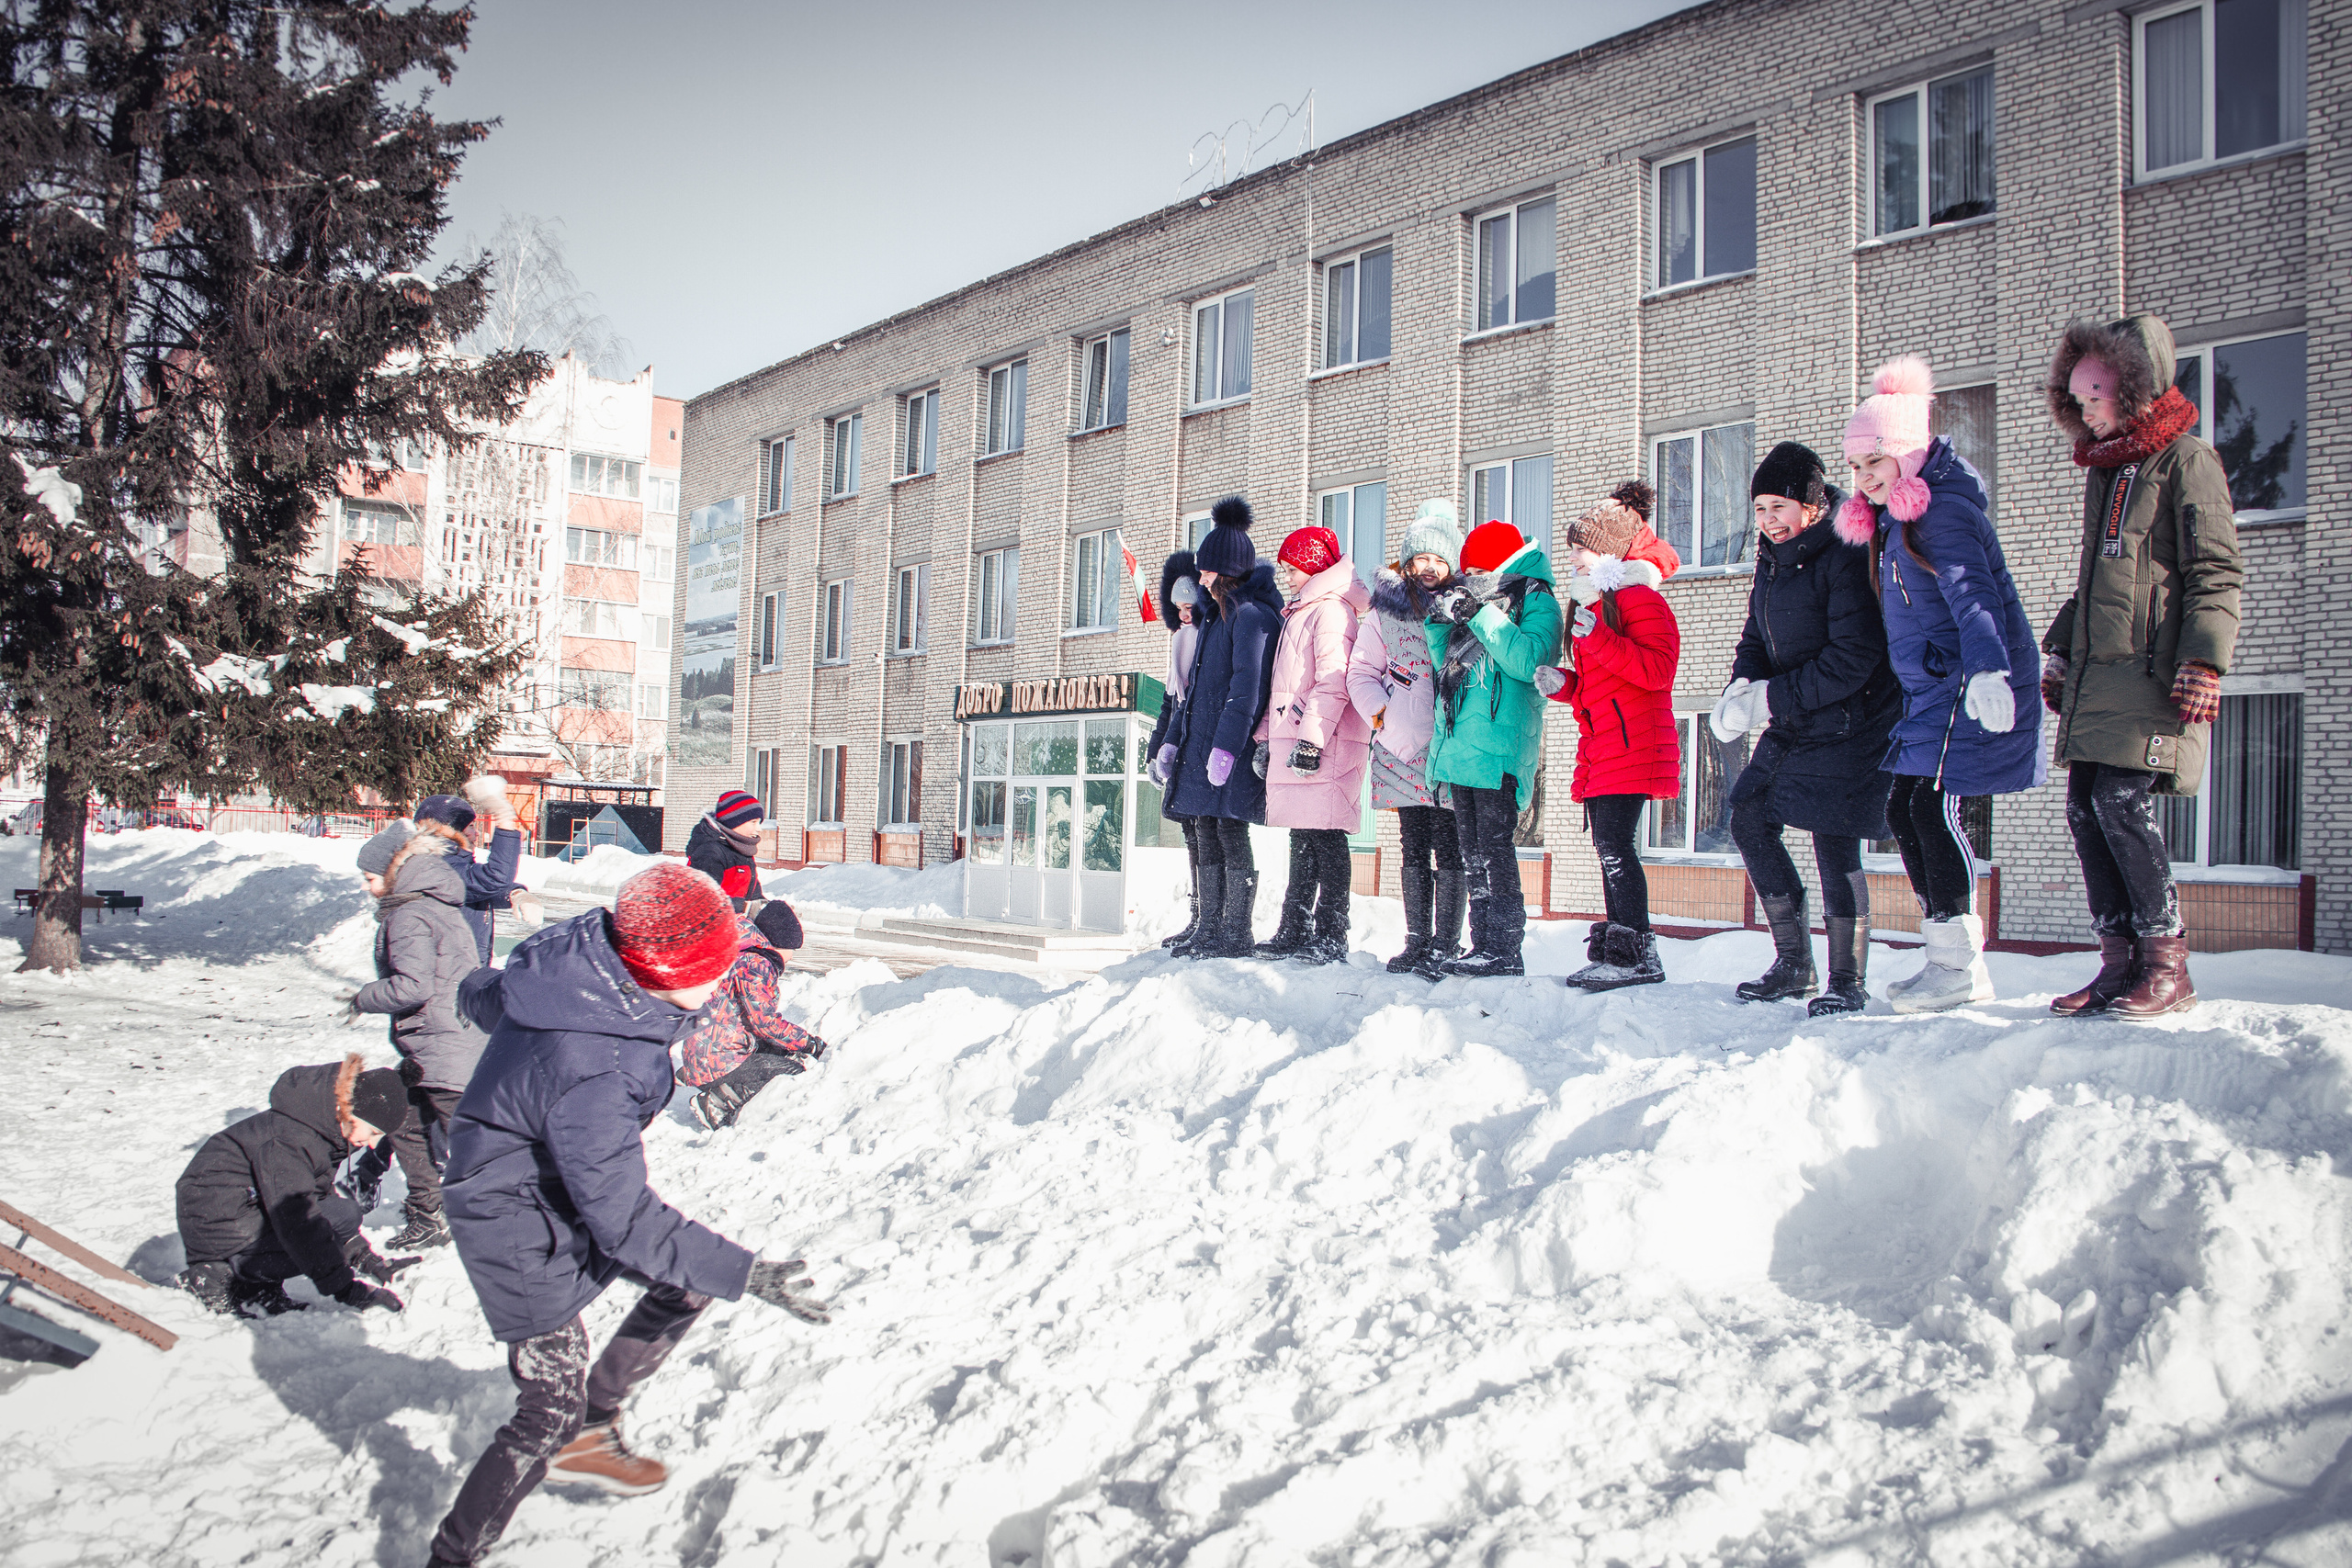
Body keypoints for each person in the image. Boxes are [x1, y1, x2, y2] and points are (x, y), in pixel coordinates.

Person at [427, 863, 830, 1567]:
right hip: (510, 1212)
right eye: (713, 968)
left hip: (556, 1177)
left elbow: (500, 994)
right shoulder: (599, 1065)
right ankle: (454, 1554)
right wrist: (745, 1270)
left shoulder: (583, 971)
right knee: (546, 1409)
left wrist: (468, 991)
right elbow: (626, 1221)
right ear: (669, 970)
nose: (722, 980)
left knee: (684, 1282)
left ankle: (596, 1423)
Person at [2041, 314, 2242, 1018]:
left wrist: (2205, 660)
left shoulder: (2187, 461)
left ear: (2134, 387)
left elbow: (2215, 571)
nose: (2086, 409)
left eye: (2095, 395)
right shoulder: (2109, 469)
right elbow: (2098, 582)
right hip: (2102, 675)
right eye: (2077, 398)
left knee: (2120, 803)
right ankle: (2119, 964)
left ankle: (2167, 966)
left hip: (2156, 674)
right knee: (2085, 809)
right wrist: (2063, 649)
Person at [1837, 355, 2044, 1012]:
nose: (1864, 478)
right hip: (1932, 686)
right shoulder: (1896, 521)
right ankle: (1946, 958)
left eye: (1875, 461)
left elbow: (1973, 594)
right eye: (1855, 466)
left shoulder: (1942, 513)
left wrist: (1987, 669)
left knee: (1929, 806)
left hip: (1965, 679)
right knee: (1904, 808)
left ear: (1907, 452)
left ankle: (1960, 967)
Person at [1712, 443, 1900, 1015]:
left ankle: (1847, 980)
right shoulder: (1771, 559)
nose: (1769, 521)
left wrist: (1769, 697)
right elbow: (1755, 636)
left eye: (1780, 507)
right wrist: (1741, 686)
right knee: (1749, 815)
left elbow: (1854, 657)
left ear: (1812, 505)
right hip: (1796, 716)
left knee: (1833, 838)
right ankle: (1794, 962)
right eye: (1760, 509)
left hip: (1852, 719)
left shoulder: (1845, 552)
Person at [1533, 482, 1682, 991]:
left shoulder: (1639, 599)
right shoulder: (1597, 606)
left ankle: (1636, 955)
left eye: (1582, 548)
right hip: (1605, 747)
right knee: (1608, 848)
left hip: (1633, 745)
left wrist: (1595, 637)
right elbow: (1604, 688)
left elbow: (1657, 672)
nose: (1573, 557)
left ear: (1611, 553)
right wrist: (1564, 685)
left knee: (1616, 847)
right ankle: (1622, 950)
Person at [1424, 516, 1562, 978]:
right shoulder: (1478, 602)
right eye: (1468, 573)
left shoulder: (1535, 600)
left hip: (1500, 746)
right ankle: (1482, 942)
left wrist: (1479, 615)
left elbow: (1530, 661)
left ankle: (1505, 946)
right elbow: (1445, 667)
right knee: (1472, 852)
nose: (1472, 580)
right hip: (1461, 745)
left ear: (1504, 564)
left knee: (1495, 848)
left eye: (1480, 571)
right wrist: (1440, 622)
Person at [174, 1054, 413, 1318]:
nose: (372, 1144)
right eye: (374, 1132)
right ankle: (215, 1275)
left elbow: (319, 1197)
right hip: (215, 1217)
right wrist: (348, 1290)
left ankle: (258, 1284)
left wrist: (364, 1257)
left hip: (245, 1205)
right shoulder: (294, 1140)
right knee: (311, 1243)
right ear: (353, 1112)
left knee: (342, 1214)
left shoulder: (325, 1125)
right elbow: (298, 1222)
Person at [346, 819, 490, 1250]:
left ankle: (519, 1224)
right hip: (444, 1042)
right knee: (404, 1120)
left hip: (444, 1045)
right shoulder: (436, 904)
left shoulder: (410, 914)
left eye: (370, 878)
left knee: (479, 1147)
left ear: (392, 870)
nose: (369, 887)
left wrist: (362, 997)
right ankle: (429, 1213)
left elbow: (413, 986)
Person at [1348, 500, 1468, 978]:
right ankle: (1418, 941)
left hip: (1452, 745)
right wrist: (1382, 715)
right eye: (1422, 558)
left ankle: (1447, 944)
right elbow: (1361, 671)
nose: (1430, 568)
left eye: (1440, 559)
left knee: (1451, 843)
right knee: (1414, 843)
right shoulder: (1386, 612)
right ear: (1408, 561)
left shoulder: (1463, 609)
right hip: (1401, 747)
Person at [1162, 497, 1283, 959]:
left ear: (1225, 571)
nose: (1200, 578)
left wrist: (1227, 749)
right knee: (1208, 830)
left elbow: (1247, 689)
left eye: (1206, 570)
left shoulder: (1250, 616)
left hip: (1228, 747)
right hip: (1203, 743)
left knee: (1231, 832)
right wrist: (1173, 742)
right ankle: (1209, 927)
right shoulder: (1216, 617)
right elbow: (1194, 691)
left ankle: (1236, 931)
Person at [1251, 525, 1374, 966]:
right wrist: (1266, 738)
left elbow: (1333, 680)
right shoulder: (1303, 611)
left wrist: (1311, 741)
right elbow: (1282, 688)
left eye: (1292, 569)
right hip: (1303, 737)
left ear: (1314, 565)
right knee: (1303, 837)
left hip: (1328, 742)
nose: (1286, 577)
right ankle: (1294, 927)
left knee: (1327, 837)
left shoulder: (1333, 611)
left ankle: (1331, 933)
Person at [676, 899, 830, 1129]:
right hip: (715, 1060)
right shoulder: (756, 964)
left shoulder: (741, 952)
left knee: (780, 1051)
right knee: (790, 1070)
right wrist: (809, 1043)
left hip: (703, 1054)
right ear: (779, 942)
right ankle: (717, 1102)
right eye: (792, 949)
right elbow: (765, 1023)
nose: (791, 957)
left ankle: (718, 1085)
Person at [1144, 551, 1208, 952]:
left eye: (1190, 606)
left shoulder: (1207, 638)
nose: (1184, 615)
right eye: (1178, 608)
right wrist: (1155, 751)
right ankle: (1198, 916)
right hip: (1180, 750)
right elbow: (1169, 705)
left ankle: (1212, 918)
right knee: (1191, 834)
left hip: (1199, 749)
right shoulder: (1178, 642)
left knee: (1208, 834)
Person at [415, 776, 526, 964]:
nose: (476, 833)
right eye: (471, 827)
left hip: (460, 967)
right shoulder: (439, 867)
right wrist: (504, 818)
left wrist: (515, 894)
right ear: (453, 832)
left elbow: (476, 891)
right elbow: (493, 878)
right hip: (449, 972)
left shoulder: (450, 864)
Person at [685, 789, 766, 908]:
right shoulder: (710, 852)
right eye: (753, 822)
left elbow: (754, 895)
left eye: (759, 823)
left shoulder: (742, 850)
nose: (759, 829)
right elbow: (702, 901)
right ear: (734, 822)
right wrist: (745, 908)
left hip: (736, 917)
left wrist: (766, 907)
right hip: (719, 919)